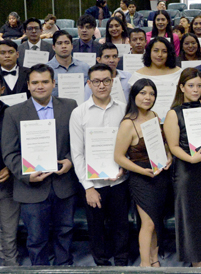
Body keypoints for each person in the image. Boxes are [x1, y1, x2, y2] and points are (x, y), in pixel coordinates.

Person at [2, 63, 77, 265]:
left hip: (63, 183)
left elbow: (79, 141)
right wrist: (27, 174)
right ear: (28, 85)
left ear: (54, 83)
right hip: (31, 187)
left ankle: (64, 267)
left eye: (45, 82)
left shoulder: (70, 106)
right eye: (35, 82)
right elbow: (9, 152)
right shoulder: (13, 113)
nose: (40, 86)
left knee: (65, 232)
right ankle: (39, 270)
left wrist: (70, 160)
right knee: (36, 238)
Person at [162, 68, 201, 267]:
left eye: (199, 85)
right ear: (182, 87)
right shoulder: (173, 113)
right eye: (191, 86)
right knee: (190, 215)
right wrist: (191, 159)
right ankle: (195, 258)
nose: (195, 89)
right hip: (186, 170)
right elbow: (172, 146)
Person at [70, 63, 129, 266]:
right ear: (89, 83)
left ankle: (122, 262)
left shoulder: (124, 110)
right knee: (96, 228)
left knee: (121, 225)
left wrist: (125, 167)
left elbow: (129, 146)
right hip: (94, 184)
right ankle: (101, 264)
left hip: (120, 180)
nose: (101, 85)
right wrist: (88, 187)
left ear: (112, 82)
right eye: (96, 81)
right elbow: (77, 154)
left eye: (106, 80)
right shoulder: (79, 113)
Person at [113, 79, 172, 267]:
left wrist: (169, 156)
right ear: (134, 95)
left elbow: (162, 143)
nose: (148, 97)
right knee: (148, 223)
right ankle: (145, 264)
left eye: (152, 94)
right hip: (141, 178)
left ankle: (155, 260)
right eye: (143, 93)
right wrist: (143, 171)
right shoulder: (127, 124)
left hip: (160, 175)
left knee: (156, 220)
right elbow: (119, 157)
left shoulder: (154, 115)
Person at [0, 73, 18, 267]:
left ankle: (12, 267)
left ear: (2, 89)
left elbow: (21, 146)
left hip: (7, 180)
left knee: (9, 231)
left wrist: (10, 168)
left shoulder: (12, 114)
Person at [48, 31, 90, 97]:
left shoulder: (84, 67)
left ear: (72, 46)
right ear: (53, 47)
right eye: (59, 43)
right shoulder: (46, 69)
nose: (64, 46)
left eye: (67, 43)